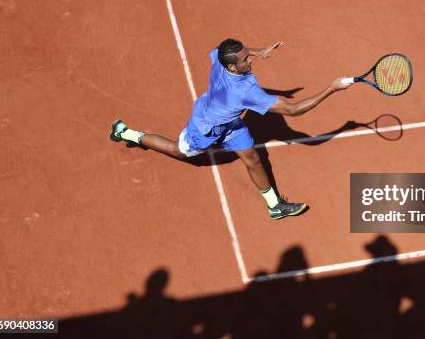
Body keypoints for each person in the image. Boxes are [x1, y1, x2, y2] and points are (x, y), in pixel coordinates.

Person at [110, 38, 351, 219]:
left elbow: (220, 50)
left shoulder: (220, 58)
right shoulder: (245, 92)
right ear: (233, 68)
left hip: (231, 124)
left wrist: (260, 51)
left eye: (248, 55)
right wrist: (332, 88)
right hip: (206, 126)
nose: (251, 60)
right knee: (177, 150)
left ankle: (274, 206)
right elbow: (293, 109)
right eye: (246, 59)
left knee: (253, 159)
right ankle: (127, 133)